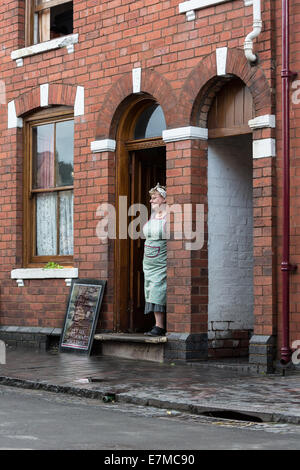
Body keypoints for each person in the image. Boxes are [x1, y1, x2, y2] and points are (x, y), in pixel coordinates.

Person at [143, 183, 167, 336]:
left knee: (159, 289)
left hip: (161, 261)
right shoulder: (153, 216)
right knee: (150, 289)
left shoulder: (169, 217)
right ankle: (156, 325)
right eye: (150, 198)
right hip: (148, 261)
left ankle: (160, 327)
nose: (151, 201)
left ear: (164, 199)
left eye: (154, 198)